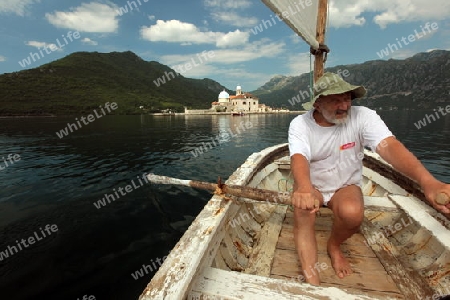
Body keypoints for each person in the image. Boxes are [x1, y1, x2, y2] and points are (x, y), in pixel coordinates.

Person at [288, 72, 450, 285]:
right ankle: (313, 282)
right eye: (335, 100)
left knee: (353, 215)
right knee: (303, 211)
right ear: (317, 104)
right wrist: (304, 188)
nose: (344, 106)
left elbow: (389, 147)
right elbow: (299, 157)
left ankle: (334, 246)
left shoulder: (363, 116)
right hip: (313, 185)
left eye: (347, 99)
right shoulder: (300, 124)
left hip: (344, 185)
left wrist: (428, 182)